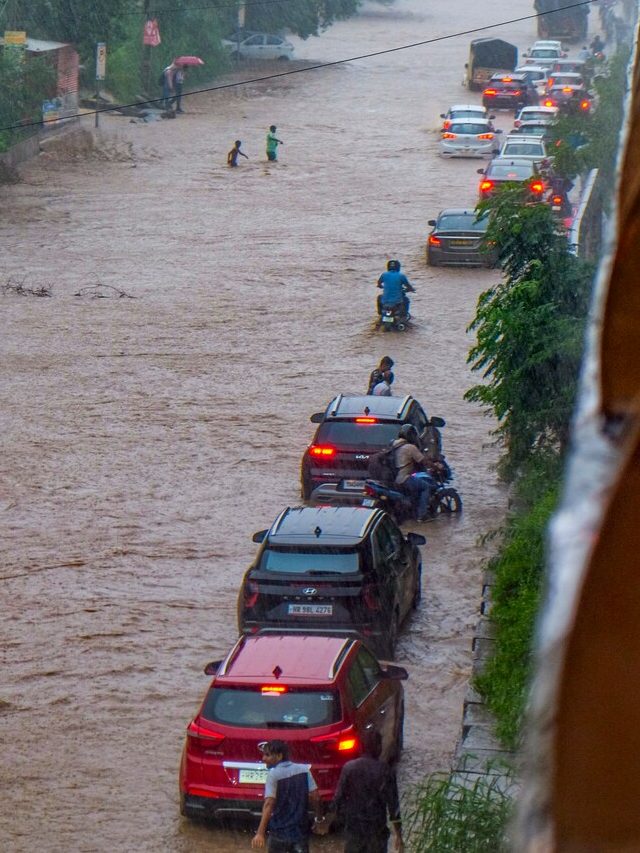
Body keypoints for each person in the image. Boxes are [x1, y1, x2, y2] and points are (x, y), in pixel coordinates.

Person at [317, 729, 403, 853]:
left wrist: (326, 822)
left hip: (354, 830)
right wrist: (399, 836)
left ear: (361, 747)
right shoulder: (386, 771)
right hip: (376, 830)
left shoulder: (349, 768)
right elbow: (394, 807)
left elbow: (337, 800)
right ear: (378, 747)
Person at [251, 739, 323, 852]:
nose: (263, 758)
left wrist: (260, 833)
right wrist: (318, 819)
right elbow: (316, 797)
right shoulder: (304, 770)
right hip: (301, 833)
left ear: (279, 756)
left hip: (279, 833)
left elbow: (269, 804)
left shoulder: (273, 775)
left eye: (267, 755)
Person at [391, 423, 435, 522]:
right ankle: (422, 515)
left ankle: (413, 511)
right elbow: (423, 461)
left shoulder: (393, 444)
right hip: (404, 479)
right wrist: (435, 466)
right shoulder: (410, 447)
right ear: (410, 435)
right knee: (426, 487)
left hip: (394, 479)